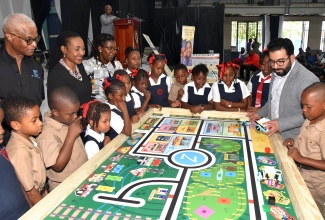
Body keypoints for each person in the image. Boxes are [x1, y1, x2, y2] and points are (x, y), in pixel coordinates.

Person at [247, 38, 319, 140]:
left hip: (293, 138)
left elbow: (312, 114)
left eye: (281, 61)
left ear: (292, 58)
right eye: (272, 62)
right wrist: (259, 114)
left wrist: (280, 124)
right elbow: (273, 100)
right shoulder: (277, 71)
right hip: (273, 132)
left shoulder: (308, 81)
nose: (275, 67)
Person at [0, 13, 44, 145]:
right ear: (10, 36)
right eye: (28, 39)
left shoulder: (36, 67)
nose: (34, 44)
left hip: (35, 139)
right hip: (5, 142)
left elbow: (39, 101)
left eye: (36, 38)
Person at [283, 82, 325, 216]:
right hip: (300, 173)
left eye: (308, 107)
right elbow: (309, 145)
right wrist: (293, 144)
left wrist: (301, 158)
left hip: (315, 185)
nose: (304, 110)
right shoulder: (309, 119)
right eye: (303, 106)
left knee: (311, 213)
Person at [37, 87, 88, 191]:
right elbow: (57, 166)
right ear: (55, 112)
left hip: (81, 178)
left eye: (76, 112)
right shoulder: (46, 135)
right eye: (71, 114)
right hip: (64, 187)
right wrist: (71, 135)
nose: (75, 117)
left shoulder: (67, 121)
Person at [2, 96, 46, 206]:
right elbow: (31, 193)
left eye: (39, 118)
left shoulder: (30, 139)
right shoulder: (19, 152)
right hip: (35, 203)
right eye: (34, 120)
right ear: (16, 125)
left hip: (41, 195)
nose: (40, 123)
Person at [0, 107, 30, 219]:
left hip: (25, 212)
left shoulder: (2, 149)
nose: (2, 130)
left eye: (1, 123)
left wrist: (31, 206)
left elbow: (15, 179)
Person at [47, 31, 92, 106]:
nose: (82, 53)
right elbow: (57, 106)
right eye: (77, 49)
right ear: (63, 49)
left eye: (83, 49)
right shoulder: (57, 75)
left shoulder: (79, 66)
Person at [83, 34, 123, 102]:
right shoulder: (88, 65)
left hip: (116, 103)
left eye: (115, 49)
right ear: (100, 49)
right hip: (97, 105)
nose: (113, 52)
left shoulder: (117, 65)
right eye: (110, 48)